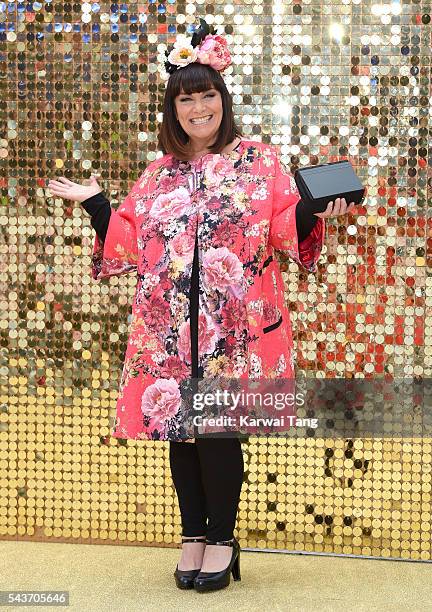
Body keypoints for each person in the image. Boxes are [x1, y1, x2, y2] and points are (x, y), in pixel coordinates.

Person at [47, 18, 357, 594]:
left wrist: (317, 214)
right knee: (180, 433)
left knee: (217, 431)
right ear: (174, 109)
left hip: (234, 328)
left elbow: (284, 227)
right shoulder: (158, 172)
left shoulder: (260, 161)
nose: (198, 108)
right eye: (186, 99)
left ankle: (221, 538)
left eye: (207, 95)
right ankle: (192, 534)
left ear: (223, 99)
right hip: (168, 329)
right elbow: (132, 242)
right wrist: (96, 205)